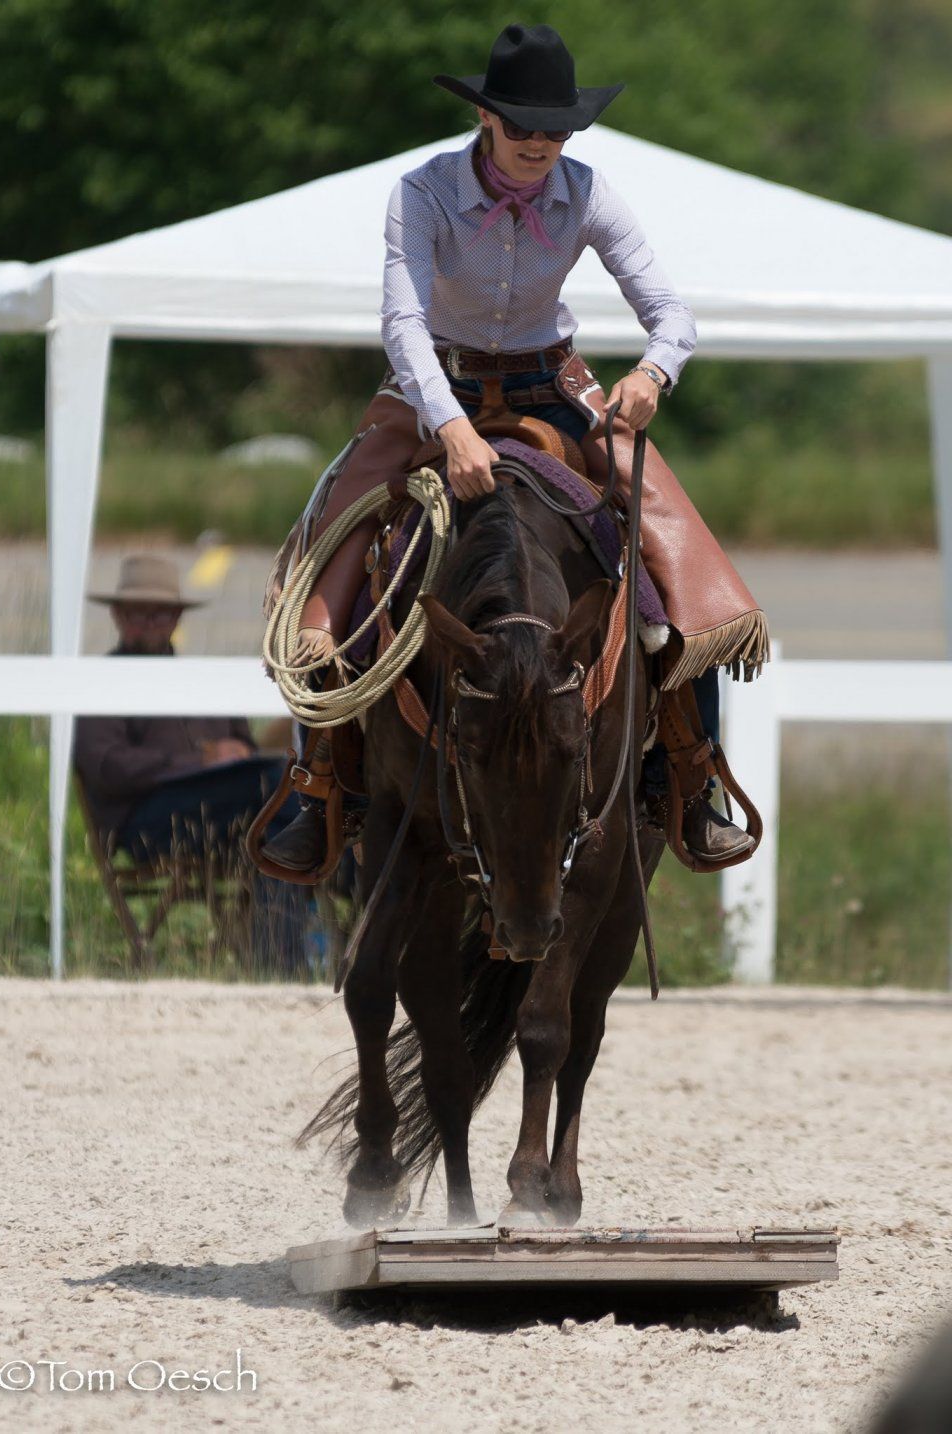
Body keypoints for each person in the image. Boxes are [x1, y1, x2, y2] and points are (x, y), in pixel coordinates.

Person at [262, 23, 765, 875]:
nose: (540, 143)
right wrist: (450, 426)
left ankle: (687, 772)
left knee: (672, 553)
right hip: (434, 387)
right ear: (486, 118)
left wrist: (653, 373)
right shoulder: (422, 192)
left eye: (556, 129)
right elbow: (403, 323)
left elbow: (670, 312)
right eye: (524, 125)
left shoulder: (589, 191)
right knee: (338, 543)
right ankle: (319, 785)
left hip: (550, 382)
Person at [74, 552, 308, 971]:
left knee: (292, 804)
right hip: (147, 823)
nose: (150, 623)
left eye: (160, 614)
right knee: (279, 790)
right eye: (139, 614)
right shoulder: (101, 682)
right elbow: (107, 766)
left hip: (225, 812)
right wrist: (199, 760)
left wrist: (237, 753)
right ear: (118, 616)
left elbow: (244, 744)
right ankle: (289, 954)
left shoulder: (202, 679)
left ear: (177, 618)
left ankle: (282, 959)